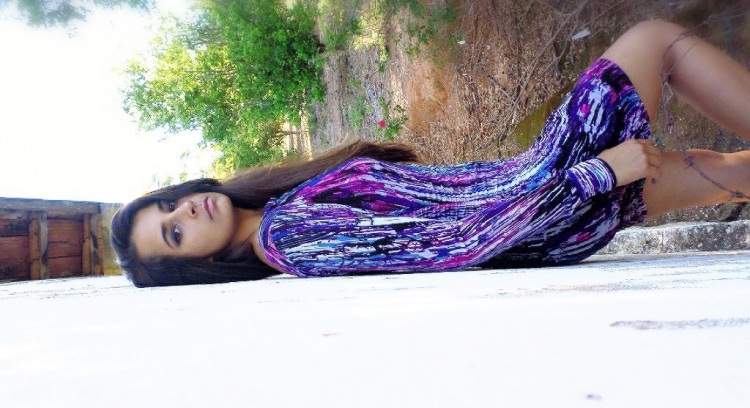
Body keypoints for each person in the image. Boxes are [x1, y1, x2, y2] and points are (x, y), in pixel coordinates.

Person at [112, 20, 750, 287]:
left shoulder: (280, 211)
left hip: (542, 199)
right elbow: (447, 245)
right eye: (173, 233)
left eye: (169, 204)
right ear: (197, 265)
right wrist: (595, 175)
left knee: (735, 173)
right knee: (656, 40)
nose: (185, 211)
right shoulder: (289, 238)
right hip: (552, 189)